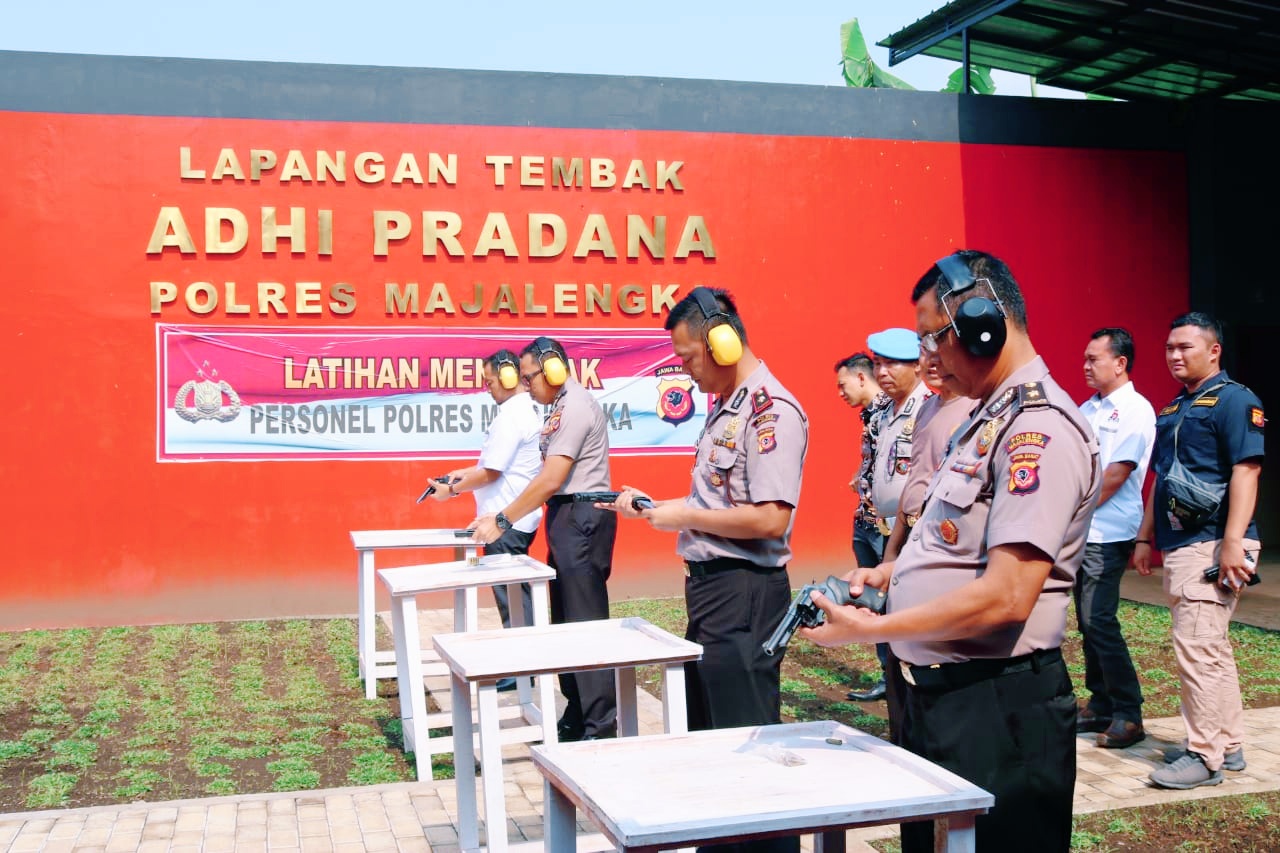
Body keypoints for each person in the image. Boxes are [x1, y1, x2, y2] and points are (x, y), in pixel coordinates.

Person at [800, 250, 1100, 853]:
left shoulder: (1035, 430)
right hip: (942, 699)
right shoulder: (981, 418)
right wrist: (892, 572)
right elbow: (953, 542)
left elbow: (1008, 597)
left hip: (997, 708)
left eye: (933, 338)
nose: (926, 357)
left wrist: (871, 629)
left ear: (986, 324)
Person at [604, 287, 807, 853]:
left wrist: (683, 516)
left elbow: (770, 519)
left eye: (689, 359)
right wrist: (660, 508)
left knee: (750, 753)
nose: (686, 373)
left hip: (745, 595)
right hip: (714, 596)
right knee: (714, 747)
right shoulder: (729, 407)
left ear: (722, 343)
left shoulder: (772, 412)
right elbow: (723, 507)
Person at [1135, 312, 1264, 789]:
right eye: (1169, 347)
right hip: (1181, 543)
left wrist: (1232, 542)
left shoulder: (1235, 400)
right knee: (1212, 648)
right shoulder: (1175, 409)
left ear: (1214, 351)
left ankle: (1203, 756)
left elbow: (1246, 471)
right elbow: (1160, 479)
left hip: (1213, 544)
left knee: (1197, 648)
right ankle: (1227, 746)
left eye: (1185, 347)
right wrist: (1146, 537)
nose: (1174, 355)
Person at [471, 336, 619, 741]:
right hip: (567, 517)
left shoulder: (573, 407)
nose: (526, 384)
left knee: (585, 625)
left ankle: (601, 726)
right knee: (567, 621)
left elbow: (551, 477)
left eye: (530, 376)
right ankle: (577, 712)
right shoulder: (555, 408)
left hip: (582, 516)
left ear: (553, 368)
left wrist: (503, 518)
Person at [425, 350, 544, 672]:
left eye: (490, 381)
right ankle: (526, 667)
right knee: (515, 599)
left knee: (513, 602)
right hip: (510, 519)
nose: (487, 388)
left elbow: (492, 472)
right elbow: (494, 467)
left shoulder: (511, 415)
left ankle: (524, 669)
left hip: (504, 523)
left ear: (507, 377)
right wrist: (463, 475)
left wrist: (450, 490)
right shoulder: (523, 411)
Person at [1075, 328, 1155, 749]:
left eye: (1094, 359)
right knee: (1088, 622)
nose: (1086, 366)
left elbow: (1116, 474)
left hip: (1109, 531)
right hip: (1081, 530)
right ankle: (1100, 702)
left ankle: (1128, 712)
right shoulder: (1088, 407)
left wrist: (1073, 513)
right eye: (1085, 359)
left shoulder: (1135, 410)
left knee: (1099, 620)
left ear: (1120, 362)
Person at [847, 328, 931, 702]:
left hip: (912, 531)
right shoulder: (882, 410)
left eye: (893, 363)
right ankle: (891, 679)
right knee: (880, 607)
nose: (882, 372)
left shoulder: (929, 407)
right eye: (878, 363)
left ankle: (913, 682)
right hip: (875, 524)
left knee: (911, 612)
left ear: (918, 365)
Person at [835, 352, 891, 568]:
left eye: (842, 385)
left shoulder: (891, 410)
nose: (840, 393)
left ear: (860, 378)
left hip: (884, 523)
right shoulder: (869, 414)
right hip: (865, 519)